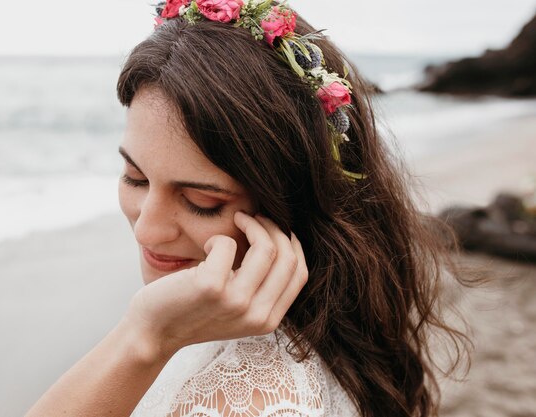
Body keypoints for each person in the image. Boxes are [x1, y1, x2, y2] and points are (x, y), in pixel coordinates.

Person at [26, 1, 470, 416]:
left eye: (202, 202)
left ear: (291, 205)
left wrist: (144, 336)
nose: (147, 229)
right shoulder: (294, 331)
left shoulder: (245, 398)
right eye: (135, 178)